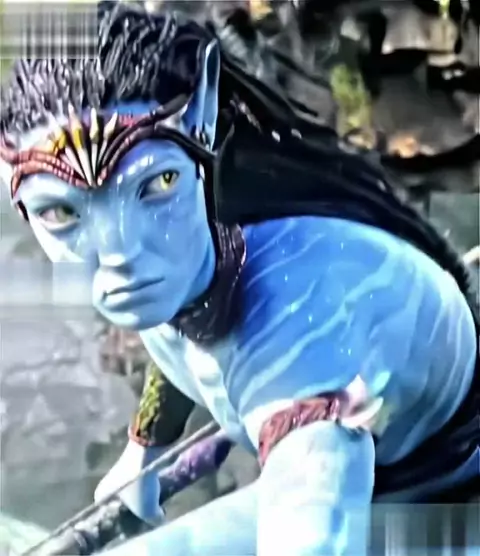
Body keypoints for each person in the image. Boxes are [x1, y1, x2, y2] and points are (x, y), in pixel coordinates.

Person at [0, 3, 477, 555]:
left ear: (202, 115)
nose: (121, 255)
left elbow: (317, 530)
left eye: (156, 186)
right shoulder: (181, 260)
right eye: (62, 213)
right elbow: (177, 329)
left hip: (443, 493)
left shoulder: (300, 333)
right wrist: (143, 450)